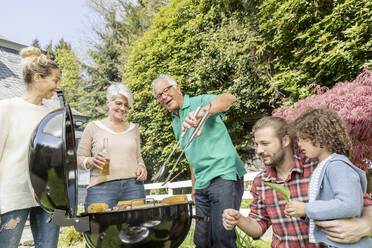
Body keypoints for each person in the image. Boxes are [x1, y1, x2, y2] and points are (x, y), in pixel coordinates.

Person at [222, 116, 372, 247]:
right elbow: (258, 227)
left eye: (265, 143)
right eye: (257, 144)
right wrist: (240, 220)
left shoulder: (319, 168)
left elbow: (363, 203)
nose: (259, 150)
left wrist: (365, 225)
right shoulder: (261, 182)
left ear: (285, 140)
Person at [151, 74, 246, 248]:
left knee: (222, 238)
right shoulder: (175, 121)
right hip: (202, 184)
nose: (164, 96)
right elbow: (191, 156)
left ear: (177, 88)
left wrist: (203, 112)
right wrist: (194, 187)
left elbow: (229, 98)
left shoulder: (199, 101)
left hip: (223, 174)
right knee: (202, 240)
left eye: (166, 90)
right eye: (159, 95)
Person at [0, 47, 61, 247]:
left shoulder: (51, 115)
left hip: (46, 198)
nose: (58, 86)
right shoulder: (7, 107)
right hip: (12, 197)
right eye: (55, 79)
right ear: (38, 78)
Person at [285, 109, 372, 247]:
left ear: (322, 138)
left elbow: (350, 205)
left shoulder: (338, 166)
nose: (299, 144)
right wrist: (304, 213)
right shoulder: (323, 166)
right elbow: (331, 210)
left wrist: (307, 208)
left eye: (304, 139)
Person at [77, 83, 147, 211]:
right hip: (101, 188)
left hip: (133, 187)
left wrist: (142, 166)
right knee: (99, 229)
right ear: (108, 102)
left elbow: (138, 157)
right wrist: (91, 161)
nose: (122, 108)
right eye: (119, 103)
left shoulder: (134, 128)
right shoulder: (93, 127)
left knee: (135, 229)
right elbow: (79, 158)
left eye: (126, 105)